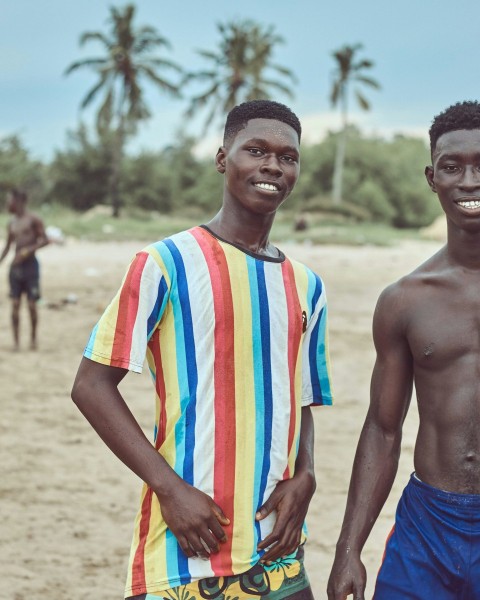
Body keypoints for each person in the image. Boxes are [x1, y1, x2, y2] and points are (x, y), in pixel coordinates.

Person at [71, 99, 334, 600]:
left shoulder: (306, 285)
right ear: (222, 158)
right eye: (255, 151)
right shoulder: (164, 263)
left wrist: (308, 474)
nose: (272, 167)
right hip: (187, 542)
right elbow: (90, 386)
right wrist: (169, 489)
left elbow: (297, 397)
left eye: (287, 157)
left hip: (276, 547)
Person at [327, 100, 480, 600]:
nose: (468, 181)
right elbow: (382, 427)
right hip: (428, 526)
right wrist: (349, 547)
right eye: (452, 167)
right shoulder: (405, 300)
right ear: (431, 177)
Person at [0, 188, 49, 350]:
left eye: (10, 200)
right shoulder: (11, 223)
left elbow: (45, 240)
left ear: (19, 201)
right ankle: (16, 343)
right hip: (15, 269)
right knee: (14, 304)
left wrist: (28, 251)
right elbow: (8, 247)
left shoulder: (33, 219)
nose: (8, 203)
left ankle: (33, 339)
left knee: (31, 305)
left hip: (30, 267)